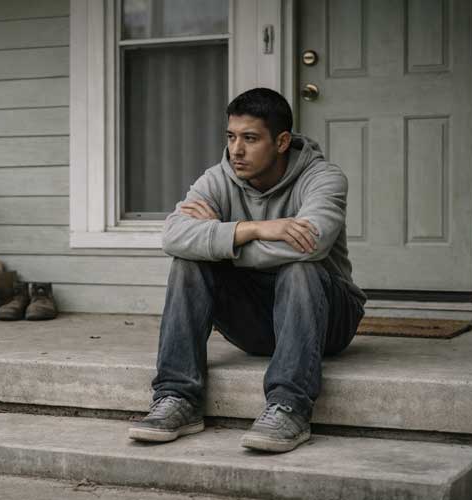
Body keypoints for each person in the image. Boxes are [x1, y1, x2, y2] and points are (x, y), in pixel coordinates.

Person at [128, 88, 366, 453]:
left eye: (250, 139)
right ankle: (178, 397)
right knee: (188, 262)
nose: (236, 150)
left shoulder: (323, 178)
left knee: (300, 268)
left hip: (328, 319)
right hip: (256, 323)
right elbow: (173, 235)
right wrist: (250, 229)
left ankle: (290, 406)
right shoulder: (218, 178)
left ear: (282, 141)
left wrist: (221, 241)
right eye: (231, 136)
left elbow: (309, 244)